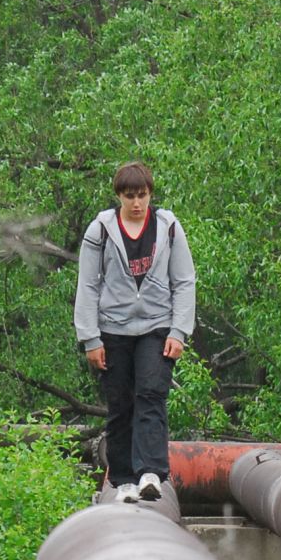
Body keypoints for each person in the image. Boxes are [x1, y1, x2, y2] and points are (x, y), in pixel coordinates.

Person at [74, 160, 196, 503]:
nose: (137, 203)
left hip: (157, 326)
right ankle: (123, 479)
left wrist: (179, 331)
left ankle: (151, 473)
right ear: (119, 196)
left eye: (142, 195)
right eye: (130, 196)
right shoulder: (100, 230)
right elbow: (87, 285)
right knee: (120, 402)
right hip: (112, 329)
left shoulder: (168, 226)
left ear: (150, 194)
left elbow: (184, 281)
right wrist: (90, 338)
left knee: (151, 395)